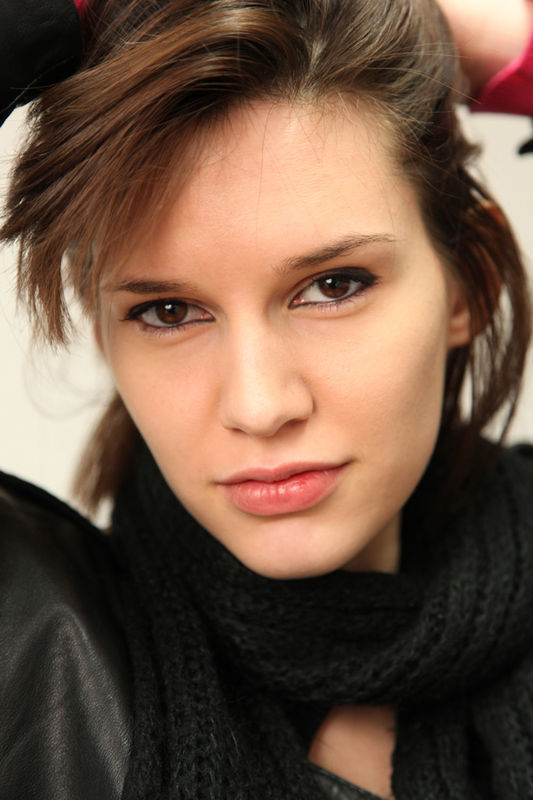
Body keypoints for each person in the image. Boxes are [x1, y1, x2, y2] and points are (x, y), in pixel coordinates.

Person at [0, 1, 532, 799]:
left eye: (333, 286)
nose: (258, 405)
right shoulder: (32, 643)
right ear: (103, 328)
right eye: (167, 311)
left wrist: (503, 43)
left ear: (468, 283)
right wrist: (62, 16)